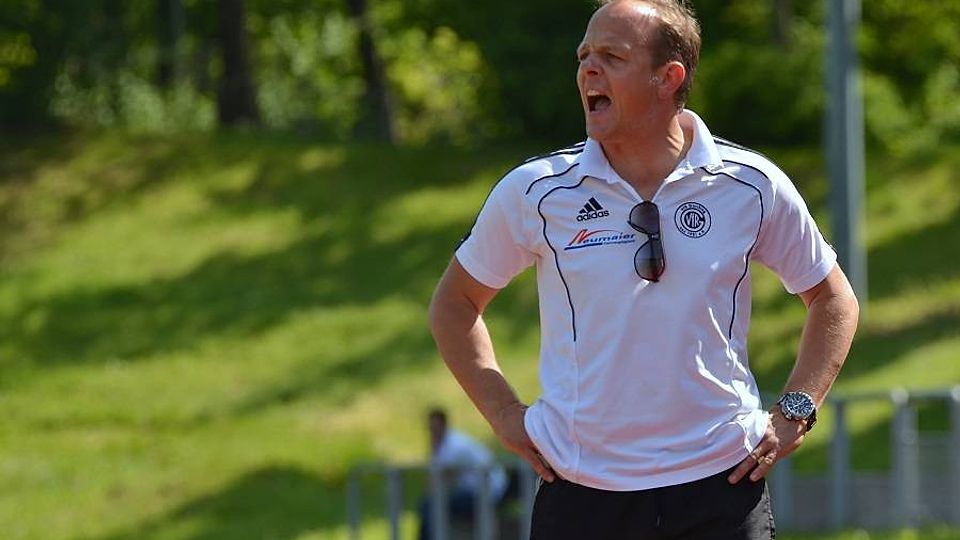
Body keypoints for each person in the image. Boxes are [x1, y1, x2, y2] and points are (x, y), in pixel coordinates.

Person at [428, 0, 860, 538]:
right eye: (584, 56)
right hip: (581, 492)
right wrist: (504, 415)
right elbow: (454, 305)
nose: (588, 70)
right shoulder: (536, 191)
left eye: (611, 56)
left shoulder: (752, 184)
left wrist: (796, 409)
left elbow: (833, 299)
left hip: (722, 485)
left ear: (668, 77)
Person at [418, 408, 508, 540]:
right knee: (431, 504)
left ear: (444, 425)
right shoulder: (443, 444)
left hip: (487, 492)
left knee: (431, 504)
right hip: (473, 491)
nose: (433, 432)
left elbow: (441, 479)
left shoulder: (456, 446)